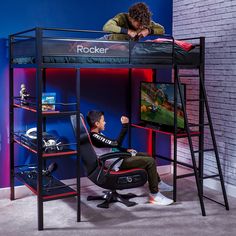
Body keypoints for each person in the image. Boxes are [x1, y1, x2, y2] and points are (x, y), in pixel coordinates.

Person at [86, 110, 173, 206]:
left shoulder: (97, 135)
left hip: (117, 158)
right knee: (150, 161)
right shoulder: (95, 136)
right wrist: (125, 125)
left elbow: (110, 146)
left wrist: (125, 150)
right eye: (103, 120)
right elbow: (116, 143)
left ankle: (158, 183)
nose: (105, 122)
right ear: (97, 123)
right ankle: (155, 195)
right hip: (116, 163)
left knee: (147, 155)